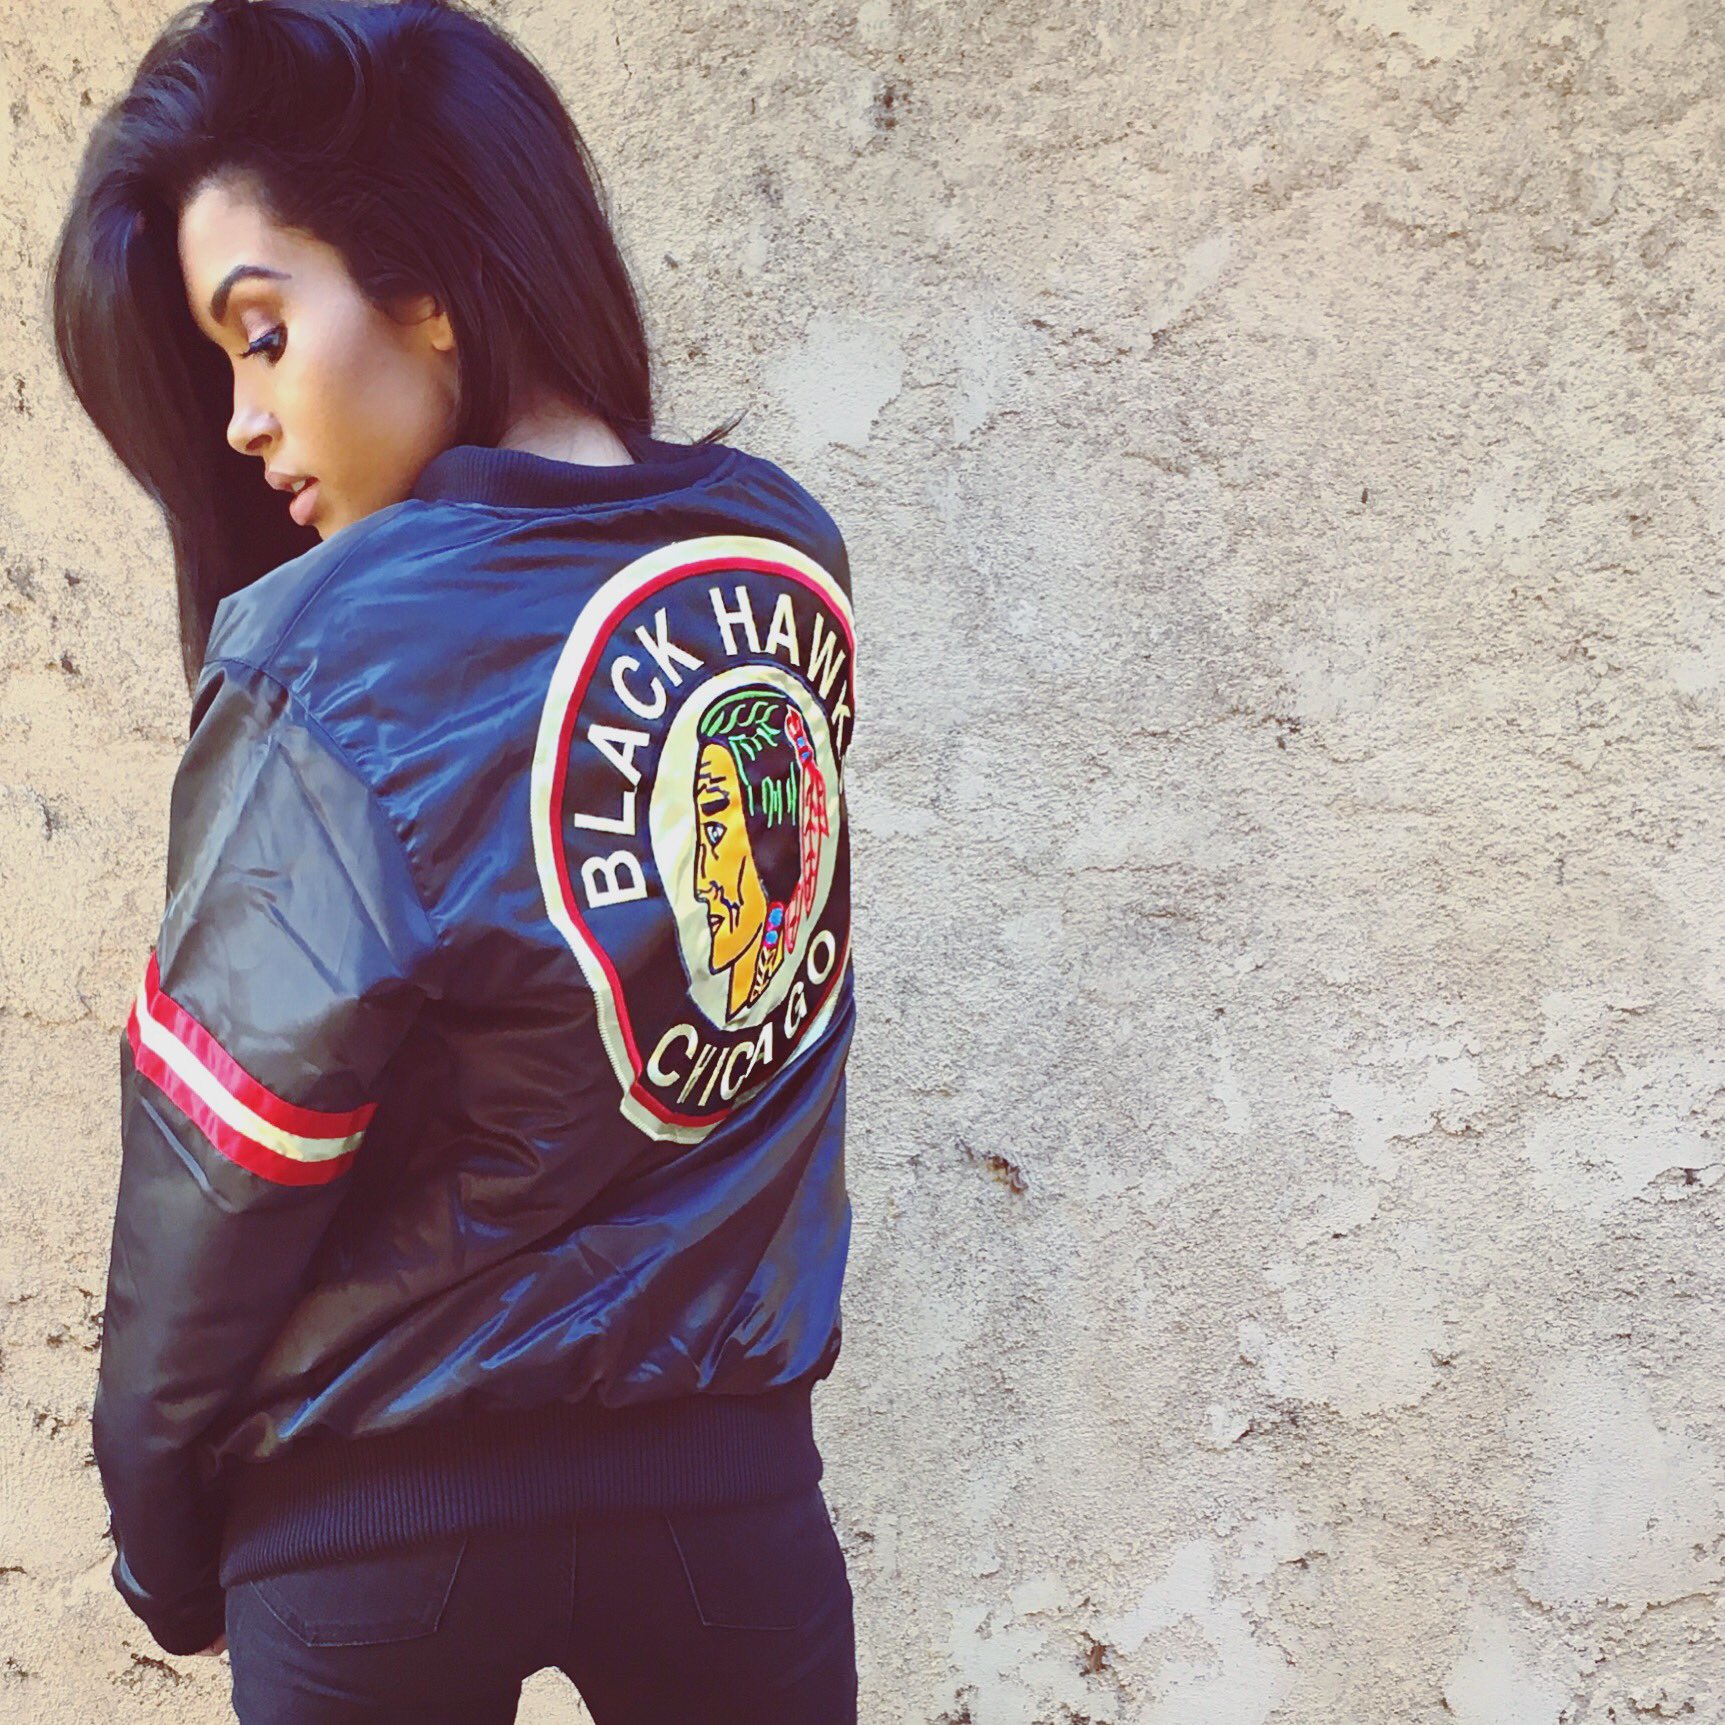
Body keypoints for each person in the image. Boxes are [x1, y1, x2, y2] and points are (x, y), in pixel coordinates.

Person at [47, 0, 860, 1718]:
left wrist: (158, 1526)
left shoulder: (327, 649)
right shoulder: (785, 563)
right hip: (727, 1504)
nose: (242, 421)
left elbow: (228, 1148)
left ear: (426, 282)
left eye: (262, 335)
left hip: (376, 1516)